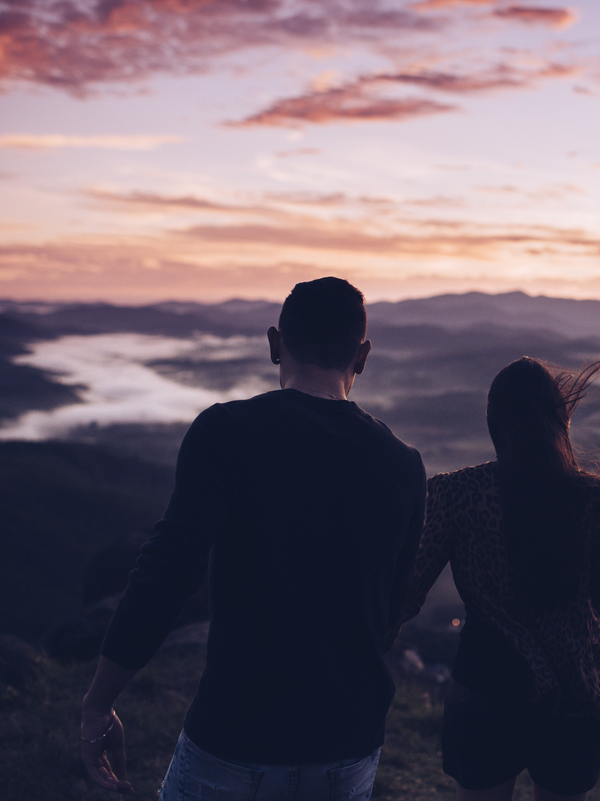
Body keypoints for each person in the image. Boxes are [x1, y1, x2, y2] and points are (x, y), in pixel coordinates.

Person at [80, 277, 427, 800]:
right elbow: (393, 610)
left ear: (274, 343)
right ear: (363, 356)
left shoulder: (224, 434)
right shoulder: (404, 465)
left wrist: (99, 702)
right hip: (348, 742)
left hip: (236, 733)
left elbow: (166, 574)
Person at [390, 354, 600, 801]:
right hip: (575, 698)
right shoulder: (587, 502)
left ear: (494, 422)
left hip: (485, 690)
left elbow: (404, 594)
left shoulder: (455, 494)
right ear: (560, 421)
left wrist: (340, 660)